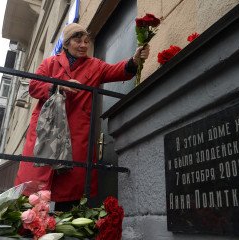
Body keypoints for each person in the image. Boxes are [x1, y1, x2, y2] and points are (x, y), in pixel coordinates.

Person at [14, 23, 150, 211]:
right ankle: (29, 228)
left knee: (69, 194)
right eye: (78, 40)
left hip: (75, 135)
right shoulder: (50, 63)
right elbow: (34, 87)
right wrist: (58, 85)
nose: (84, 45)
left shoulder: (94, 65)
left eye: (86, 41)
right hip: (46, 133)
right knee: (33, 192)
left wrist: (134, 61)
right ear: (67, 43)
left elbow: (117, 71)